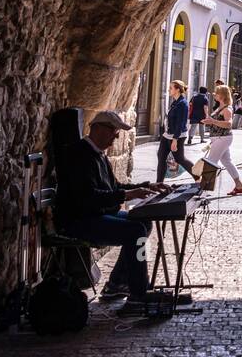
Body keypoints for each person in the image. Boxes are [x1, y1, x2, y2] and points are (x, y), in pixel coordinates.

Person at [55, 110, 174, 306]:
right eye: (114, 132)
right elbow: (89, 197)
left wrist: (144, 187)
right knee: (135, 232)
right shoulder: (79, 155)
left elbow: (115, 187)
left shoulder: (98, 155)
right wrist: (127, 195)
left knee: (143, 222)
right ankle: (139, 292)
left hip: (96, 215)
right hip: (80, 220)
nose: (115, 137)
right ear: (97, 129)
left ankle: (117, 284)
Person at [200, 86, 242, 195]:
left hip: (222, 138)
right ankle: (239, 185)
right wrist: (208, 122)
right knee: (227, 162)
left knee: (211, 162)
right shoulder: (220, 107)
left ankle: (203, 190)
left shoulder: (227, 108)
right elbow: (215, 121)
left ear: (222, 95)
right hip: (219, 138)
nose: (214, 94)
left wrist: (213, 121)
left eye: (216, 93)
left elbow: (229, 124)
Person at [158, 81, 198, 183]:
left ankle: (198, 176)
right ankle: (159, 183)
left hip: (177, 136)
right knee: (161, 157)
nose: (169, 90)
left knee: (180, 159)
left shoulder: (183, 104)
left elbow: (181, 123)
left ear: (177, 90)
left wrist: (175, 139)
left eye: (171, 88)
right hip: (167, 134)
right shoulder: (175, 102)